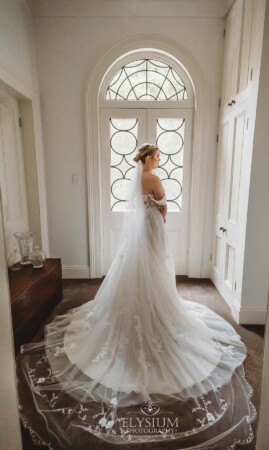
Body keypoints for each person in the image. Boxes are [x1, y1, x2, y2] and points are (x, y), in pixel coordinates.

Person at [17, 143, 256, 449]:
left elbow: (144, 204)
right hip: (154, 228)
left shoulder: (136, 177)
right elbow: (161, 205)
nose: (159, 159)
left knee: (138, 269)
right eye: (156, 156)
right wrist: (164, 209)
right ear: (147, 157)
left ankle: (148, 303)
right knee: (155, 269)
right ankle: (157, 306)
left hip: (141, 229)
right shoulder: (153, 178)